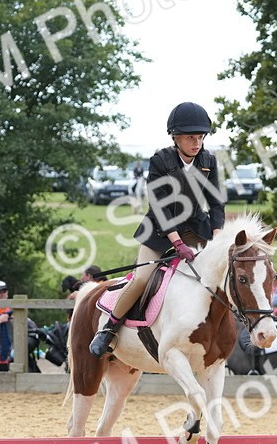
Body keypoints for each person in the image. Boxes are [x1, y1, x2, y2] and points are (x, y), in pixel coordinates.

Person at [89, 101, 225, 356]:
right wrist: (177, 243)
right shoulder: (160, 161)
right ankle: (108, 328)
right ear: (176, 138)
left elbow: (216, 202)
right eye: (190, 138)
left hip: (196, 228)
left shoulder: (208, 160)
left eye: (200, 137)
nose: (197, 143)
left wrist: (217, 237)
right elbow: (160, 207)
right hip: (161, 231)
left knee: (218, 274)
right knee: (142, 278)